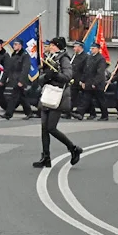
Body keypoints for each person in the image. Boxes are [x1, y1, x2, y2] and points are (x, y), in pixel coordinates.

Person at [33, 37, 82, 169]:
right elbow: (42, 77)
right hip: (48, 94)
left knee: (51, 128)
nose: (50, 47)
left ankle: (73, 148)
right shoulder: (50, 57)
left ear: (57, 46)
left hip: (58, 96)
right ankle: (46, 157)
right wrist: (46, 76)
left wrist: (54, 74)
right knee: (44, 128)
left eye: (52, 45)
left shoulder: (64, 59)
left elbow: (67, 76)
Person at [75, 43, 109, 120]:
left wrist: (95, 83)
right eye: (91, 48)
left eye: (93, 48)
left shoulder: (101, 59)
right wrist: (82, 80)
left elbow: (100, 73)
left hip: (97, 83)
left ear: (98, 49)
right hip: (88, 82)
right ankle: (80, 113)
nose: (91, 50)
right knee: (86, 98)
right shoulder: (89, 57)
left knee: (100, 100)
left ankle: (105, 115)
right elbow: (85, 70)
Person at [2, 38, 33, 120]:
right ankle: (29, 113)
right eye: (14, 44)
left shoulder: (25, 55)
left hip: (20, 80)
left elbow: (25, 69)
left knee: (14, 96)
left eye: (16, 44)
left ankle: (8, 114)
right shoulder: (14, 54)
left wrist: (21, 81)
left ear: (20, 45)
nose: (14, 46)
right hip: (14, 79)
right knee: (22, 97)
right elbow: (11, 68)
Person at [69, 41, 87, 119]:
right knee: (72, 96)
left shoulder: (86, 57)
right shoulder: (74, 56)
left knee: (84, 97)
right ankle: (68, 112)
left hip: (80, 80)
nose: (74, 48)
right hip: (73, 79)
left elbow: (85, 70)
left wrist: (82, 80)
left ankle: (82, 113)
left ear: (80, 47)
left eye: (75, 47)